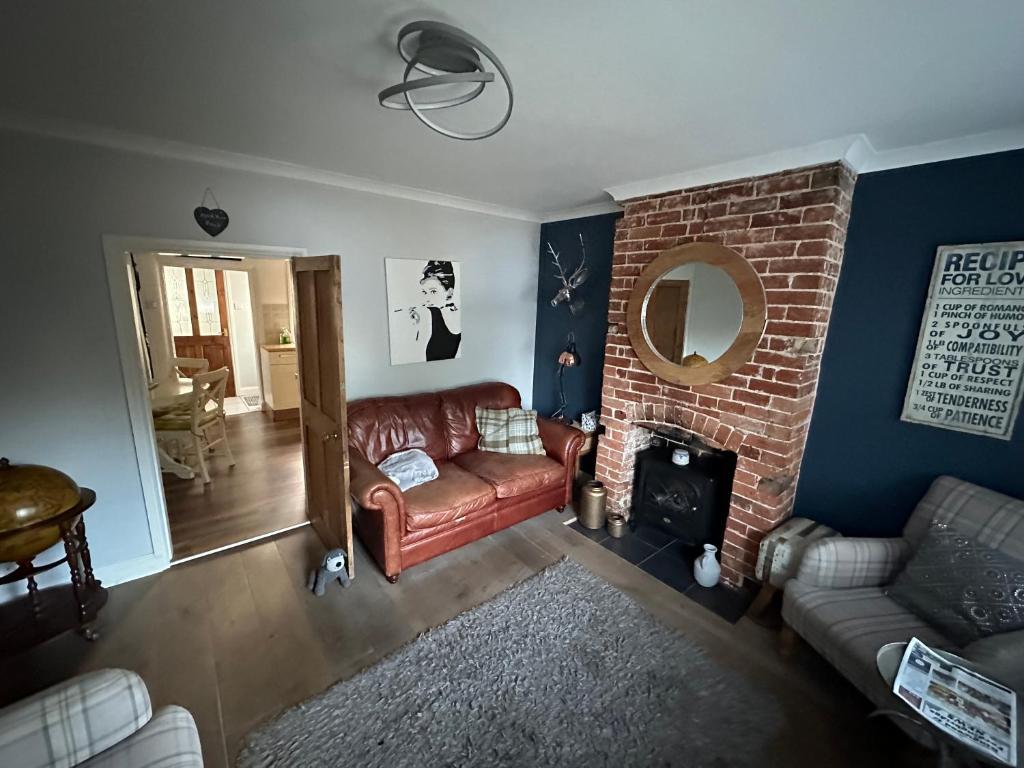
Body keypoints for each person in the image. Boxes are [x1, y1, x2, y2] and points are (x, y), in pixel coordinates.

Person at [408, 260, 461, 360]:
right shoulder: (430, 312)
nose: (427, 298)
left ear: (449, 292)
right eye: (424, 292)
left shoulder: (430, 313)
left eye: (433, 291)